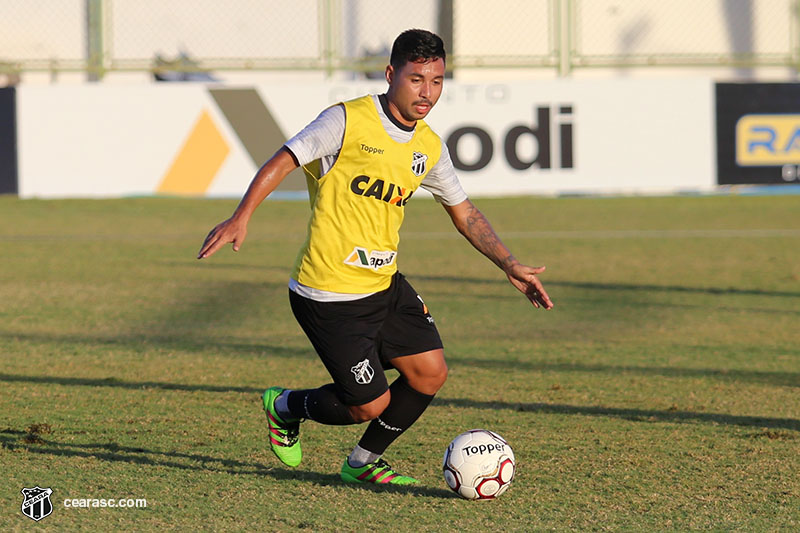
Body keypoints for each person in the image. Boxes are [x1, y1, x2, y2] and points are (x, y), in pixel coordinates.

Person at [198, 29, 553, 485]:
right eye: (417, 79)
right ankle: (285, 406)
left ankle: (361, 464)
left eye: (438, 81)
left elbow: (464, 212)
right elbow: (283, 160)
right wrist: (240, 217)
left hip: (385, 285)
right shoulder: (346, 121)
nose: (428, 92)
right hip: (328, 293)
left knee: (429, 373)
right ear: (391, 74)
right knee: (369, 404)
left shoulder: (428, 146)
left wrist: (508, 262)